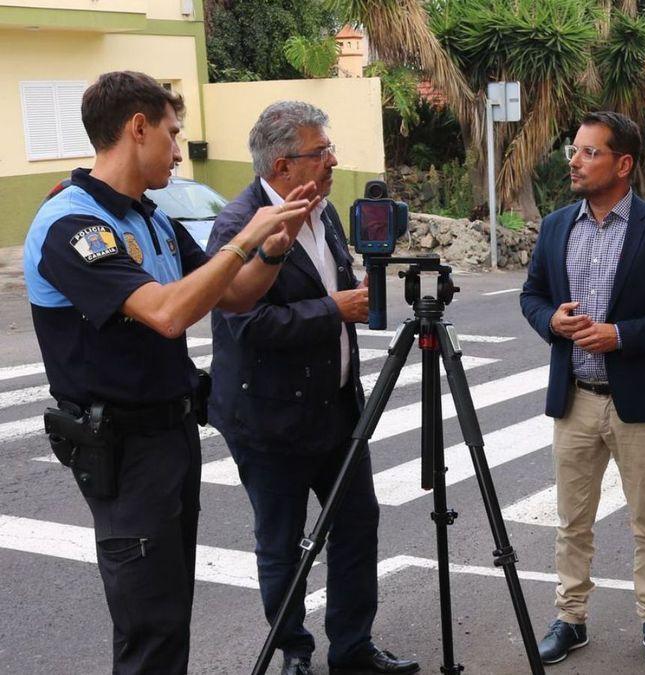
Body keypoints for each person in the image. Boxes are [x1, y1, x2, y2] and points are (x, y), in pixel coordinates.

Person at [23, 71, 317, 674]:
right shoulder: (72, 225)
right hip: (122, 449)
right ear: (137, 128)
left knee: (169, 611)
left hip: (170, 436)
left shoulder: (150, 218)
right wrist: (247, 236)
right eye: (173, 133)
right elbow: (166, 313)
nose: (180, 150)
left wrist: (274, 246)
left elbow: (233, 296)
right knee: (149, 626)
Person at [206, 101, 418, 675]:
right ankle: (293, 651)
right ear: (282, 165)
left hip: (338, 410)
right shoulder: (237, 227)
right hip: (268, 418)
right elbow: (244, 324)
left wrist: (351, 300)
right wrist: (334, 309)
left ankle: (352, 648)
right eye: (320, 152)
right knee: (281, 544)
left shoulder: (322, 213)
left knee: (355, 530)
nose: (332, 161)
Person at [519, 111, 645, 667]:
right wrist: (550, 321)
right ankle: (570, 619)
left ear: (623, 164)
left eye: (589, 152)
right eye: (573, 150)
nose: (573, 161)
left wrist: (622, 335)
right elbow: (531, 296)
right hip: (573, 398)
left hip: (637, 404)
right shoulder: (556, 226)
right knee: (571, 520)